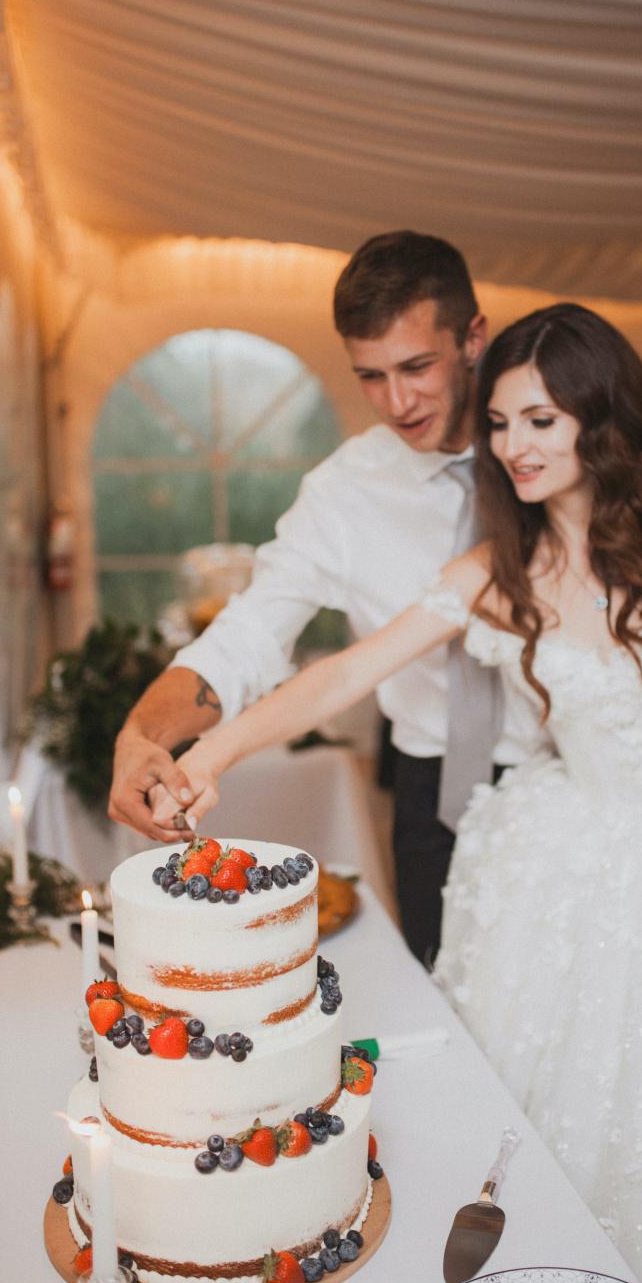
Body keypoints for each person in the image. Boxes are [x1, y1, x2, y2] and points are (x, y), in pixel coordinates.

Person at [150, 303, 642, 1283]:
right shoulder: (497, 578)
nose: (514, 446)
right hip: (577, 855)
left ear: (600, 414)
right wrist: (207, 757)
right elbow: (339, 673)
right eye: (499, 423)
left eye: (540, 419)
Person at [109, 231, 555, 965]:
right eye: (371, 376)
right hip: (431, 802)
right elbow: (246, 637)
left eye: (417, 367)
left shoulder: (552, 444)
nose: (398, 401)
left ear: (473, 337)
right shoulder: (342, 493)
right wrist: (144, 737)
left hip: (569, 774)